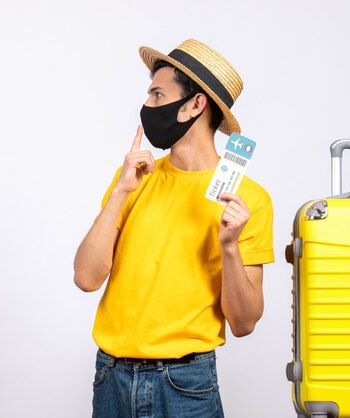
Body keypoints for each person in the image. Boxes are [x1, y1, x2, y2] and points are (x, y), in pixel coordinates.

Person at [73, 39, 274, 418]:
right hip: (111, 377)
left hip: (185, 385)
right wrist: (119, 192)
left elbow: (244, 322)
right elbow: (85, 277)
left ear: (195, 104)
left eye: (156, 94)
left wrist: (229, 246)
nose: (146, 106)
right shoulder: (134, 179)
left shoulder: (249, 199)